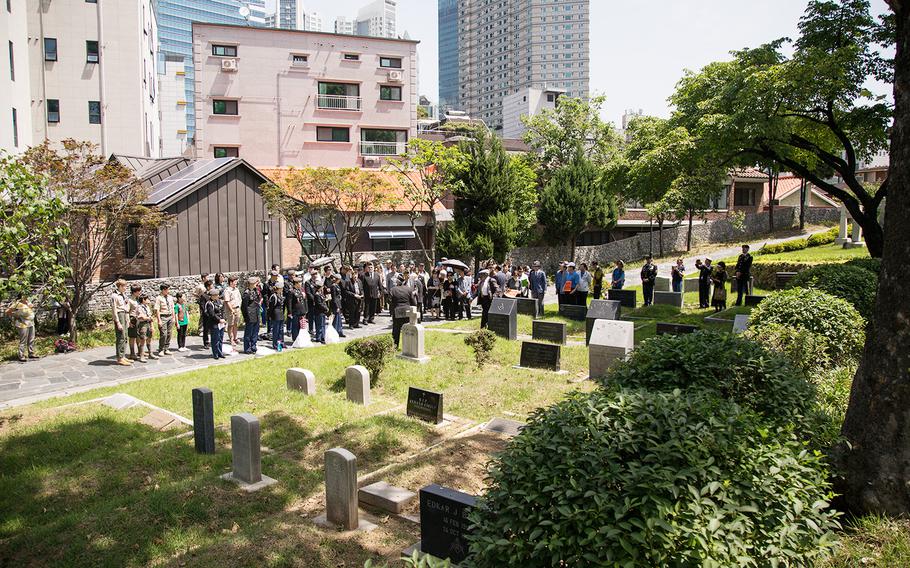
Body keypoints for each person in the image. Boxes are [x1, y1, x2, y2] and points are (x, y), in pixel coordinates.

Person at [6, 293, 37, 362]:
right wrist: (16, 315)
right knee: (23, 340)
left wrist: (29, 305)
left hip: (31, 323)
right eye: (25, 296)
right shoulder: (17, 304)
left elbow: (31, 308)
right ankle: (21, 355)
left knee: (31, 339)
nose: (26, 297)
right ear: (21, 297)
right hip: (22, 324)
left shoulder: (28, 303)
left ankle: (31, 353)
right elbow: (7, 311)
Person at [389, 274, 417, 348]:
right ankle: (408, 347)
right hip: (407, 312)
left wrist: (393, 308)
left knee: (396, 331)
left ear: (397, 282)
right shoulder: (409, 289)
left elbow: (389, 301)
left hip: (397, 311)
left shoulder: (393, 290)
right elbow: (414, 303)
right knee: (408, 331)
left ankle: (395, 346)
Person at [111, 280, 132, 366]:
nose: (125, 288)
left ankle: (123, 356)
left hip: (124, 315)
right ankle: (119, 358)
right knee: (121, 337)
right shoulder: (114, 296)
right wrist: (118, 322)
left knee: (125, 336)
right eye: (124, 286)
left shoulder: (123, 295)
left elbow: (126, 307)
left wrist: (128, 319)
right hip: (119, 315)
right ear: (119, 286)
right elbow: (114, 310)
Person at [153, 284, 175, 357]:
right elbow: (157, 310)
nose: (167, 291)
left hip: (170, 316)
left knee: (169, 333)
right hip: (163, 316)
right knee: (163, 334)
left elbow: (172, 308)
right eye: (166, 289)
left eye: (168, 289)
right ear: (162, 290)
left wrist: (173, 317)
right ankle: (161, 349)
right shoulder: (159, 298)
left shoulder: (170, 297)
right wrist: (159, 320)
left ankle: (166, 348)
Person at [240, 277, 261, 354]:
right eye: (256, 283)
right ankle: (247, 348)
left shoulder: (255, 291)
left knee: (255, 332)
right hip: (250, 315)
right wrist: (246, 317)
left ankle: (253, 346)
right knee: (248, 333)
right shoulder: (247, 293)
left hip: (256, 314)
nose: (257, 284)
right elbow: (244, 307)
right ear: (252, 284)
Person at [204, 288, 226, 359]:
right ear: (212, 296)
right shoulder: (209, 303)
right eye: (216, 295)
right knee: (215, 339)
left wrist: (223, 319)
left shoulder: (219, 301)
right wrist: (219, 320)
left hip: (221, 322)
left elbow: (222, 310)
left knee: (220, 338)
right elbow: (212, 314)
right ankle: (215, 353)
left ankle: (220, 352)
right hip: (214, 323)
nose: (217, 296)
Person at [223, 276, 242, 346]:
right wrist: (232, 310)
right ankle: (231, 339)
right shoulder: (227, 290)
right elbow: (227, 301)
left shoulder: (236, 289)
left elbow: (239, 298)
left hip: (237, 308)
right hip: (231, 309)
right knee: (230, 325)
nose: (236, 283)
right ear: (231, 282)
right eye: (235, 282)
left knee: (236, 324)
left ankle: (235, 337)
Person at [267, 279, 286, 350]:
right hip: (275, 315)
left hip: (281, 315)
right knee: (276, 331)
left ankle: (281, 343)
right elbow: (271, 308)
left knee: (281, 331)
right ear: (278, 289)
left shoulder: (280, 295)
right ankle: (275, 344)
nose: (282, 290)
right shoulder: (273, 296)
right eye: (281, 288)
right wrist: (269, 316)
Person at [127, 284, 144, 360]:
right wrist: (129, 321)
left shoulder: (137, 299)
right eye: (138, 291)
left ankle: (140, 352)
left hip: (138, 319)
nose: (140, 292)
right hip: (132, 318)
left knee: (138, 336)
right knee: (132, 337)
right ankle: (132, 353)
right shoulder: (129, 300)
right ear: (134, 291)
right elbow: (127, 311)